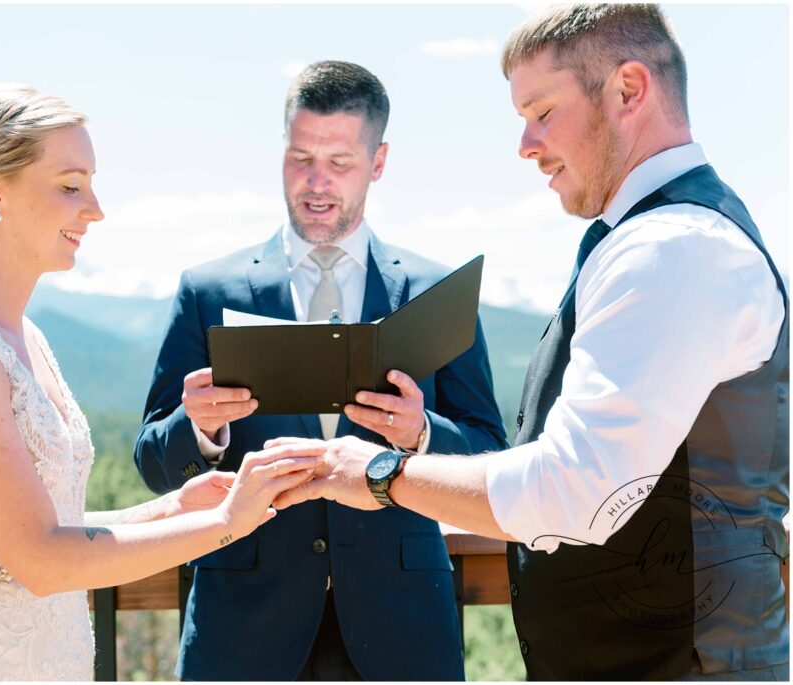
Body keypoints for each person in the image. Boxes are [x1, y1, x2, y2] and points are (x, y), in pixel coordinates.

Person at [267, 4, 788, 681]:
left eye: (542, 112)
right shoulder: (643, 240)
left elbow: (577, 489)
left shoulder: (675, 248)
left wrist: (377, 473)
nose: (525, 144)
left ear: (629, 90)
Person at [0, 84, 321, 681]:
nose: (95, 209)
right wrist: (223, 525)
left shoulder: (23, 338)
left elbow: (53, 528)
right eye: (70, 185)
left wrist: (172, 508)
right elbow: (39, 560)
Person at [133, 61, 507, 681]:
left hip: (402, 632)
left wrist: (421, 435)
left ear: (378, 162)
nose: (315, 182)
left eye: (339, 163)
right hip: (244, 634)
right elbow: (152, 462)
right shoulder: (207, 290)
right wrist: (198, 430)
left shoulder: (437, 291)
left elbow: (492, 452)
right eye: (299, 157)